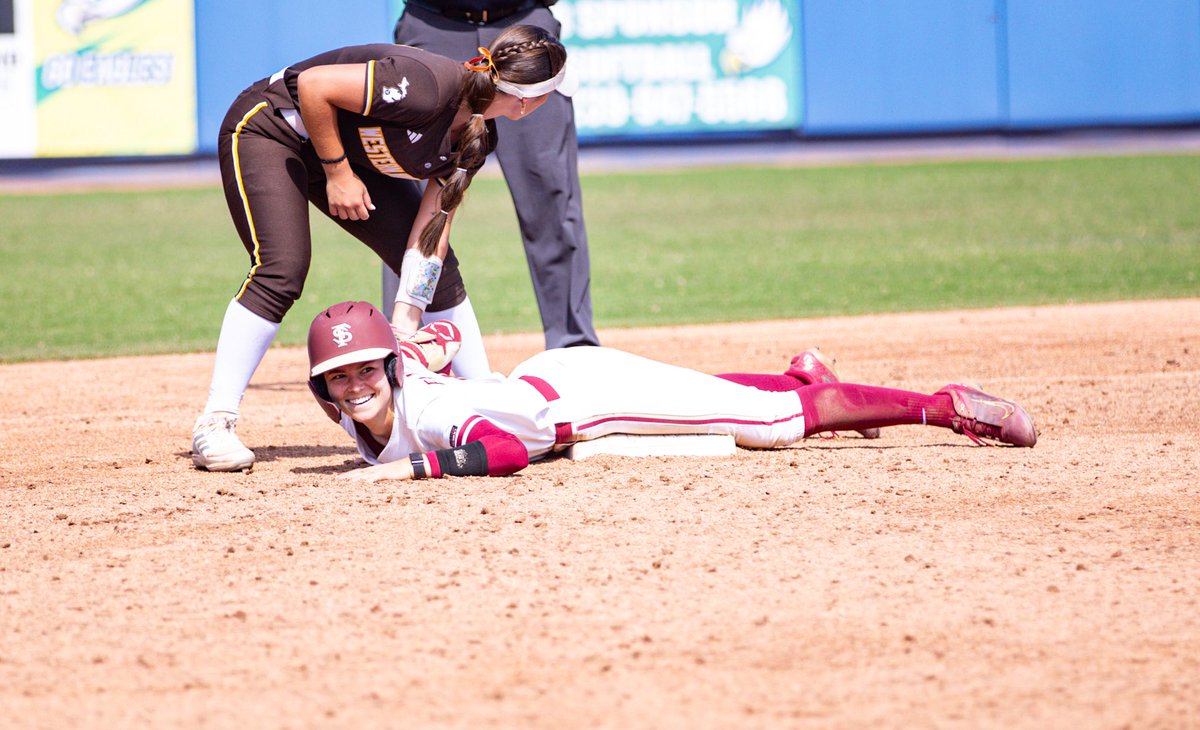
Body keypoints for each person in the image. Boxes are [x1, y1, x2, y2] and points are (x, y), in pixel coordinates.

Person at [192, 24, 575, 472]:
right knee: (282, 268)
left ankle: (486, 397)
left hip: (340, 155)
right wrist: (337, 173)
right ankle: (215, 423)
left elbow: (431, 232)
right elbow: (314, 87)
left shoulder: (477, 137)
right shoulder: (430, 87)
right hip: (270, 130)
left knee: (441, 271)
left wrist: (404, 322)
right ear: (528, 100)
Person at [305, 301, 1037, 482]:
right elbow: (447, 339)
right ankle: (808, 377)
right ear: (326, 393)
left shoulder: (425, 411)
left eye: (368, 368)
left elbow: (505, 451)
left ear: (391, 371)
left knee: (777, 425)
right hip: (557, 384)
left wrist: (413, 468)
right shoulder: (375, 404)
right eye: (341, 378)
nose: (358, 384)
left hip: (583, 403)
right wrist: (418, 346)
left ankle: (946, 406)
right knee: (711, 393)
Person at [381, 0, 600, 352]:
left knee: (551, 195)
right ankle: (404, 344)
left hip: (523, 27)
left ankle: (574, 347)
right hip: (434, 26)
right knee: (412, 206)